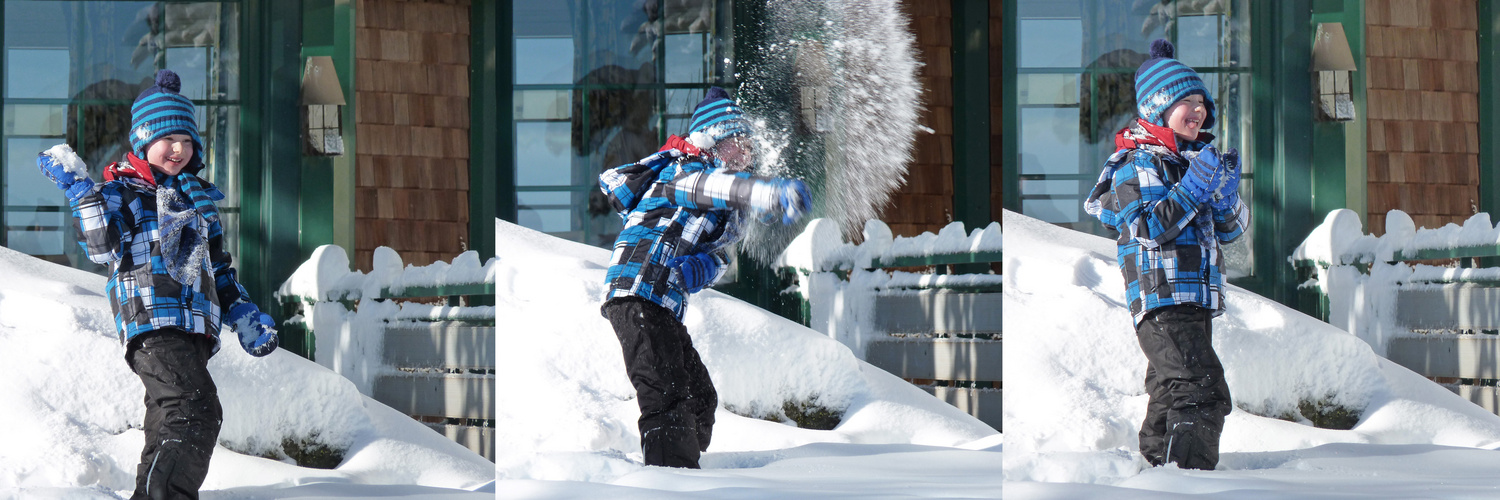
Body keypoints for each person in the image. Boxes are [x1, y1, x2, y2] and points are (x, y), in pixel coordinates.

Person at [37, 69, 280, 499]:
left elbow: (218, 268)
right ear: (144, 141)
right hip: (151, 318)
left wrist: (241, 311)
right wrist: (81, 192)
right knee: (195, 409)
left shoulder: (198, 201)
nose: (179, 149)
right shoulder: (123, 193)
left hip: (194, 329)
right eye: (168, 139)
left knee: (168, 420)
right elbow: (101, 247)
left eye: (187, 141)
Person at [597, 86, 810, 468]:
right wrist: (763, 192)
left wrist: (707, 267)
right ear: (711, 143)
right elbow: (708, 189)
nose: (745, 153)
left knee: (699, 398)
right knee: (666, 396)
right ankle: (669, 482)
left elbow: (720, 254)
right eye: (735, 144)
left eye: (748, 146)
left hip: (659, 303)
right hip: (637, 293)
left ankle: (684, 466)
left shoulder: (720, 199)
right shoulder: (683, 171)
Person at [1083, 39, 1250, 470]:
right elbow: (1149, 227)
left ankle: (1157, 471)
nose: (1197, 110)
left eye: (1201, 102)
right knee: (1200, 389)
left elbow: (1232, 231)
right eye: (1185, 101)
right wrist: (1195, 187)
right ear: (1158, 108)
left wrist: (1225, 196)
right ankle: (1188, 483)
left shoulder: (1191, 161)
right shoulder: (1134, 164)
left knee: (1169, 392)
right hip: (1162, 301)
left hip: (1192, 303)